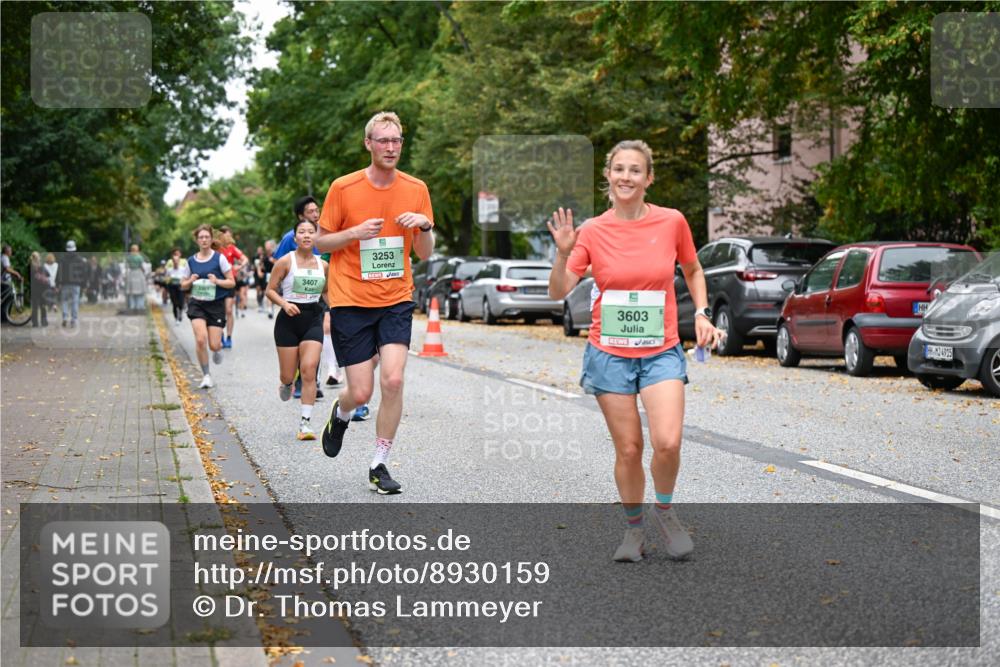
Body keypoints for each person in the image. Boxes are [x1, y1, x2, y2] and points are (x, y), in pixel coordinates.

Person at [546, 140, 724, 563]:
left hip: (661, 349)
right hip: (608, 352)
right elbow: (559, 291)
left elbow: (693, 269)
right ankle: (633, 532)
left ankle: (664, 510)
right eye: (619, 169)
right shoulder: (591, 230)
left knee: (668, 441)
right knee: (628, 449)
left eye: (635, 170)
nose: (626, 176)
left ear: (649, 178)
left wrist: (701, 312)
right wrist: (563, 252)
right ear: (608, 175)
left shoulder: (671, 222)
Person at [315, 111, 435, 495]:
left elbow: (425, 253)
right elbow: (321, 243)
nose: (390, 147)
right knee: (362, 391)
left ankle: (379, 463)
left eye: (396, 140)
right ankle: (342, 412)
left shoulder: (416, 188)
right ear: (368, 143)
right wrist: (352, 232)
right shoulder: (344, 188)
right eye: (382, 140)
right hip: (351, 298)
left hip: (396, 297)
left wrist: (425, 227)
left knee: (394, 379)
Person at [266, 217, 329, 440]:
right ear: (295, 238)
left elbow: (328, 293)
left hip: (313, 318)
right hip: (288, 321)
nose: (306, 235)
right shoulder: (285, 261)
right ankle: (286, 382)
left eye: (311, 232)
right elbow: (270, 290)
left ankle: (306, 423)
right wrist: (284, 303)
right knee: (287, 375)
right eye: (302, 232)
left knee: (309, 369)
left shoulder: (323, 265)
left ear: (316, 237)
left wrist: (333, 312)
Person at [180, 224, 236, 389]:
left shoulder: (219, 258)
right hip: (197, 304)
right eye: (201, 237)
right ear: (197, 240)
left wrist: (217, 281)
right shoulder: (191, 261)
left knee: (214, 344)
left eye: (206, 237)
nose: (204, 240)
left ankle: (217, 349)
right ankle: (206, 375)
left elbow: (231, 282)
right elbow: (183, 285)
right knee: (200, 339)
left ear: (211, 239)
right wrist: (190, 281)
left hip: (216, 305)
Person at [216, 226, 247, 348]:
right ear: (221, 235)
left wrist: (239, 266)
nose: (229, 238)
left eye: (230, 235)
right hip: (218, 282)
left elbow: (245, 259)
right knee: (219, 311)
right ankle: (220, 335)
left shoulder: (232, 248)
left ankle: (229, 337)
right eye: (227, 235)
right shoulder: (216, 248)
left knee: (228, 310)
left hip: (230, 282)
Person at [58, 240, 87, 327]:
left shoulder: (62, 259)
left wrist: (58, 283)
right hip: (76, 284)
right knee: (75, 302)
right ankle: (74, 320)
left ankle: (65, 317)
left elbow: (59, 272)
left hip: (65, 283)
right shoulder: (80, 259)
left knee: (65, 301)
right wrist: (84, 284)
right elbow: (83, 273)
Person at [1, 244, 23, 323]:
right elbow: (7, 269)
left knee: (5, 299)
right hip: (5, 282)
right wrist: (16, 273)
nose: (11, 252)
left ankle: (4, 318)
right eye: (10, 250)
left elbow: (6, 270)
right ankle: (4, 319)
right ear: (7, 251)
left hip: (4, 281)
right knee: (8, 299)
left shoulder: (2, 257)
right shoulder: (5, 257)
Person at [165, 249, 188, 323]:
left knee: (181, 302)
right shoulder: (169, 269)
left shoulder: (183, 269)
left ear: (179, 261)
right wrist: (169, 279)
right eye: (174, 261)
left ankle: (180, 313)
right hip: (172, 286)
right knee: (174, 302)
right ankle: (176, 317)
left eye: (177, 261)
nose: (175, 262)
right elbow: (166, 277)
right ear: (172, 262)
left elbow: (186, 276)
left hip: (180, 286)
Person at [29, 251, 50, 327]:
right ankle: (44, 322)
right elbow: (48, 274)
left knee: (35, 306)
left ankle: (35, 323)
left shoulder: (30, 266)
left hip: (34, 288)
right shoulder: (41, 266)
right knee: (43, 305)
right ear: (38, 258)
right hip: (42, 288)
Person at [125, 244, 148, 312]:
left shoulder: (128, 257)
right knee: (140, 291)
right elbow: (142, 266)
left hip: (131, 273)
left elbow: (126, 266)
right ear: (137, 250)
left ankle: (132, 306)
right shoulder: (140, 257)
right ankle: (140, 306)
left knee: (131, 291)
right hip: (138, 273)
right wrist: (145, 273)